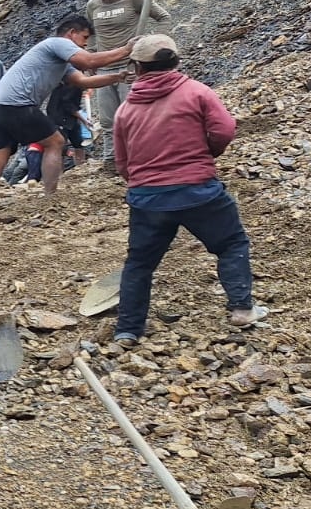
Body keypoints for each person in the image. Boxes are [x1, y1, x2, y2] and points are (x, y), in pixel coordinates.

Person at [111, 35, 267, 341]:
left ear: (138, 68)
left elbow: (122, 163)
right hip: (199, 191)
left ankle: (127, 330)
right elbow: (224, 129)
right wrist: (206, 155)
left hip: (147, 198)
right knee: (231, 244)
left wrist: (144, 182)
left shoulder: (126, 110)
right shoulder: (196, 92)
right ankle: (241, 309)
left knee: (139, 264)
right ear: (176, 61)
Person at [0, 15, 138, 207]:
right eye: (84, 38)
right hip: (17, 104)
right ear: (72, 34)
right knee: (56, 142)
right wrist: (126, 50)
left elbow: (84, 81)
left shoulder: (60, 62)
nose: (85, 45)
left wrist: (117, 76)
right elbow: (88, 61)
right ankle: (50, 199)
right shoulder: (57, 43)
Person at [87, 0, 172, 168]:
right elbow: (91, 33)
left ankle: (141, 158)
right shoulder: (93, 6)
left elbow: (164, 17)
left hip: (131, 67)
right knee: (108, 120)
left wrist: (152, 44)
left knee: (134, 115)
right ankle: (111, 159)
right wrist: (90, 56)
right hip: (105, 68)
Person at [46, 80, 90, 165]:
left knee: (79, 143)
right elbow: (68, 106)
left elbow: (74, 105)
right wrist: (83, 120)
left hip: (70, 119)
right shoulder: (73, 86)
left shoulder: (73, 85)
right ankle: (59, 174)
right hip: (59, 119)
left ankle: (81, 166)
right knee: (60, 147)